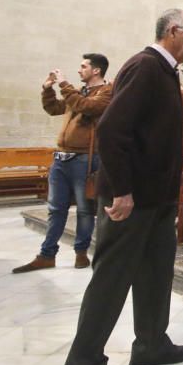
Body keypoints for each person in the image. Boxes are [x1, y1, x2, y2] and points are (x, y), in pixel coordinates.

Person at [61, 9, 183, 365]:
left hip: (156, 199)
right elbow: (111, 130)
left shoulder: (166, 71)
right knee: (111, 279)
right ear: (173, 32)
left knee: (157, 273)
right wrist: (122, 189)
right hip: (132, 199)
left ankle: (151, 344)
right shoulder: (145, 65)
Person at [14, 54, 111, 273]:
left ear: (96, 71)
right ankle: (47, 255)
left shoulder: (106, 92)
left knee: (85, 210)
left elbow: (86, 107)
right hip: (61, 158)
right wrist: (47, 89)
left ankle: (81, 254)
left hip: (85, 159)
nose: (79, 70)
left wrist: (64, 84)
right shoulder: (78, 92)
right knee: (55, 209)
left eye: (83, 66)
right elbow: (54, 108)